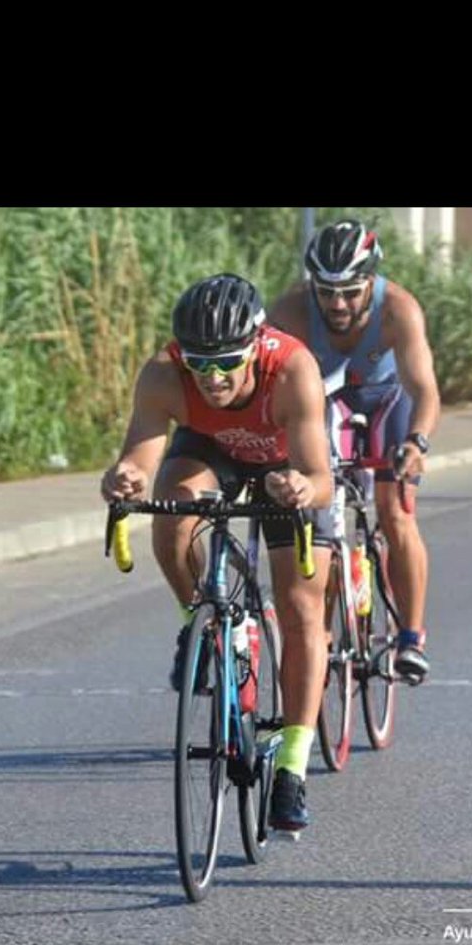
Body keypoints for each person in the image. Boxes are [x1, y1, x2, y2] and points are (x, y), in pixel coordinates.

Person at [101, 273, 333, 833]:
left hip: (286, 466)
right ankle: (200, 623)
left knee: (302, 607)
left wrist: (302, 488)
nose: (211, 377)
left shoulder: (294, 369)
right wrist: (125, 477)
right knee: (171, 509)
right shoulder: (164, 372)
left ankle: (293, 767)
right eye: (198, 362)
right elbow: (140, 454)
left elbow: (321, 477)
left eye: (226, 361)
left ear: (255, 345)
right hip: (211, 451)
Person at [269, 219, 441, 682]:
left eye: (350, 291)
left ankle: (410, 635)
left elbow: (424, 389)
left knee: (394, 509)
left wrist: (416, 443)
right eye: (326, 292)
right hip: (323, 405)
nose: (338, 304)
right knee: (314, 510)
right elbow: (267, 385)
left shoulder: (399, 309)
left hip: (388, 400)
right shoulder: (289, 312)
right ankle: (319, 632)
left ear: (371, 281)